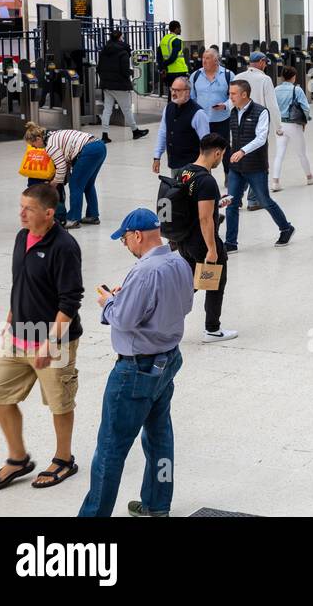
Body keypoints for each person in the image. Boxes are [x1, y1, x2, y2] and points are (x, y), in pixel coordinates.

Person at [77, 208, 194, 517]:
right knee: (159, 438)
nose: (126, 245)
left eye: (125, 239)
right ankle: (157, 505)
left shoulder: (143, 272)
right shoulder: (179, 262)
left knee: (110, 450)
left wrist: (108, 301)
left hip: (135, 370)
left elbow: (124, 319)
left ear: (137, 236)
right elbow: (185, 304)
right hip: (167, 362)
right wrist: (126, 297)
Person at [0, 184, 83, 491]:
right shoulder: (21, 236)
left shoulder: (64, 247)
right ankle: (17, 459)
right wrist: (11, 316)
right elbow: (21, 281)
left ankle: (64, 460)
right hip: (18, 336)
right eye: (21, 206)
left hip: (54, 341)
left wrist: (50, 343)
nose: (21, 213)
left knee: (59, 403)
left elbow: (70, 300)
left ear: (49, 213)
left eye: (29, 209)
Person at [173, 133, 236, 343]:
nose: (221, 159)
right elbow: (205, 218)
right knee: (215, 281)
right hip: (201, 242)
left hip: (183, 241)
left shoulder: (183, 172)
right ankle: (212, 329)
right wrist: (212, 249)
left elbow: (189, 206)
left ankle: (166, 315)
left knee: (192, 282)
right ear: (217, 153)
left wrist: (217, 203)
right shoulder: (207, 180)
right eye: (222, 155)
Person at [223, 79, 294, 251]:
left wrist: (242, 151)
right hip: (236, 168)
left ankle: (286, 228)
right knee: (231, 203)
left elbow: (261, 138)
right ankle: (231, 243)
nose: (230, 97)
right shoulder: (233, 112)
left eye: (233, 94)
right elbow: (233, 138)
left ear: (244, 94)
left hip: (255, 166)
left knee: (265, 200)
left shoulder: (261, 112)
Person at [238, 51, 283, 210]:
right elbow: (272, 105)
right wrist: (278, 127)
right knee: (257, 163)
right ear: (262, 62)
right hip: (258, 125)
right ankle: (253, 200)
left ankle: (235, 199)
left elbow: (231, 100)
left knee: (241, 160)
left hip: (239, 124)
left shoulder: (238, 78)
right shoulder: (265, 79)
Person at [152, 76, 211, 181]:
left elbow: (206, 143)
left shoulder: (198, 113)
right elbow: (163, 132)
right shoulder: (168, 108)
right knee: (178, 194)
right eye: (172, 89)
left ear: (187, 92)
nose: (173, 93)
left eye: (178, 90)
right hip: (175, 164)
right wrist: (157, 157)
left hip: (193, 167)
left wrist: (205, 167)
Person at [46, 127, 106, 229]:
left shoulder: (50, 145)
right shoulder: (56, 134)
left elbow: (61, 167)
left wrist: (54, 183)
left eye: (34, 144)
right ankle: (92, 215)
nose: (36, 147)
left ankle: (73, 219)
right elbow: (67, 158)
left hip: (88, 150)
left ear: (38, 139)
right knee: (88, 184)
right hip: (100, 146)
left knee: (75, 184)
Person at [96, 30, 149, 143]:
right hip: (120, 85)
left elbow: (98, 68)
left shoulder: (104, 51)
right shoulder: (123, 52)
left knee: (107, 110)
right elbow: (124, 71)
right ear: (120, 38)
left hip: (106, 85)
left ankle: (104, 135)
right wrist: (131, 72)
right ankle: (135, 131)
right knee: (127, 109)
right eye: (122, 37)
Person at [272, 66, 313, 192]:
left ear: (282, 77)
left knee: (279, 154)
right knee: (302, 153)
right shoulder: (296, 90)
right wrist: (305, 121)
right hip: (294, 125)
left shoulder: (275, 90)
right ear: (293, 77)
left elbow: (273, 107)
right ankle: (309, 177)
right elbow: (305, 108)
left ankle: (275, 182)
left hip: (280, 125)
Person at [189, 49, 234, 175]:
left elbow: (234, 97)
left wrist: (225, 105)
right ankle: (205, 175)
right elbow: (191, 98)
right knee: (204, 150)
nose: (204, 60)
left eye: (207, 58)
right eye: (203, 57)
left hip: (221, 119)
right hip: (202, 121)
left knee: (225, 148)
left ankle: (228, 175)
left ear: (216, 60)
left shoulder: (228, 75)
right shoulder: (196, 76)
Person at [157, 20, 189, 96]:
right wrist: (165, 65)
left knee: (172, 94)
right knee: (181, 94)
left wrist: (162, 68)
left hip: (169, 72)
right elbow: (173, 57)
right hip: (179, 71)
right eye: (179, 28)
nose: (180, 30)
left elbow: (159, 56)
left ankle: (170, 107)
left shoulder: (164, 40)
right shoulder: (177, 41)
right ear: (176, 29)